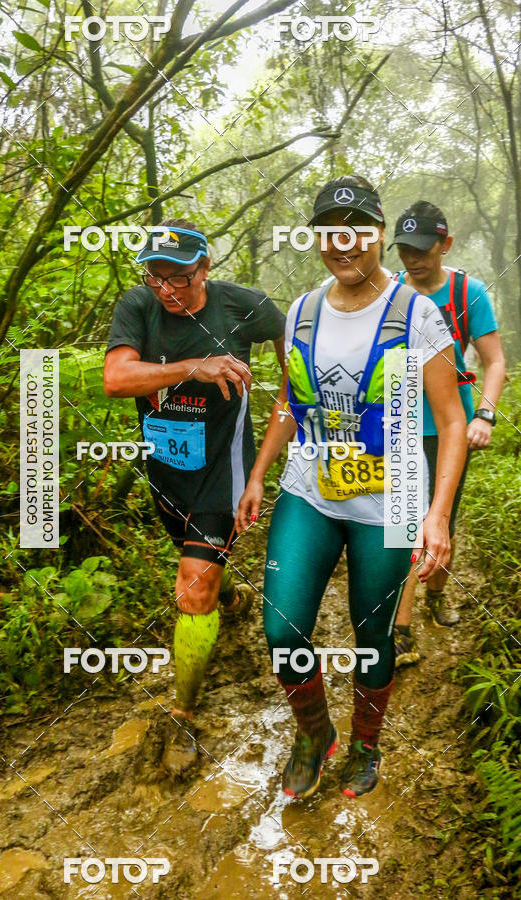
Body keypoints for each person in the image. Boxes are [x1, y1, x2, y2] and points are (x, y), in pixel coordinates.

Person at [236, 176, 468, 799]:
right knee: (283, 629)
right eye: (329, 229)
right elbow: (291, 400)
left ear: (377, 233)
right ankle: (315, 733)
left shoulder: (416, 314)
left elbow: (450, 420)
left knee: (373, 637)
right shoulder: (304, 310)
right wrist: (259, 473)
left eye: (356, 228)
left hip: (389, 501)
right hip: (310, 489)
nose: (343, 242)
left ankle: (366, 742)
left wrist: (437, 516)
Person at [103, 219, 285, 776]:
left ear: (206, 269)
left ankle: (183, 710)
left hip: (221, 471)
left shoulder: (244, 307)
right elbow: (115, 378)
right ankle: (230, 601)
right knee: (201, 573)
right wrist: (192, 368)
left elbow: (293, 379)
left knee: (192, 585)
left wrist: (260, 471)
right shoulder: (138, 305)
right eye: (156, 276)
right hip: (165, 466)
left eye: (180, 278)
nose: (167, 290)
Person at [389, 202, 506, 666]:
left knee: (440, 522)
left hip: (450, 427)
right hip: (398, 424)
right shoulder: (388, 290)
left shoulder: (467, 292)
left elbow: (494, 361)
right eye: (404, 250)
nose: (413, 259)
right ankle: (400, 630)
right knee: (400, 526)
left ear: (445, 244)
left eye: (423, 249)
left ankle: (435, 597)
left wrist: (486, 415)